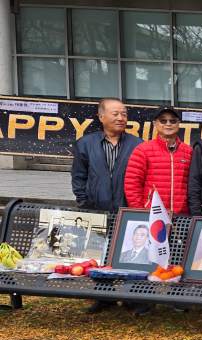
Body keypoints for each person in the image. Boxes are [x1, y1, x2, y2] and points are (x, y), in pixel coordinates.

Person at [71, 97, 142, 314]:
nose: (121, 118)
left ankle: (132, 297)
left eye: (124, 114)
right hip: (96, 209)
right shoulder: (86, 143)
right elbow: (78, 176)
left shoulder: (137, 144)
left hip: (127, 210)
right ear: (101, 117)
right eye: (115, 113)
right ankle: (104, 296)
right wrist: (84, 201)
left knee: (128, 254)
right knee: (100, 254)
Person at [124, 106, 192, 214]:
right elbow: (132, 185)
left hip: (182, 216)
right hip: (152, 216)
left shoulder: (188, 151)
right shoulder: (142, 150)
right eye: (163, 120)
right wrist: (140, 213)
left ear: (179, 124)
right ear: (155, 124)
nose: (168, 124)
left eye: (173, 121)